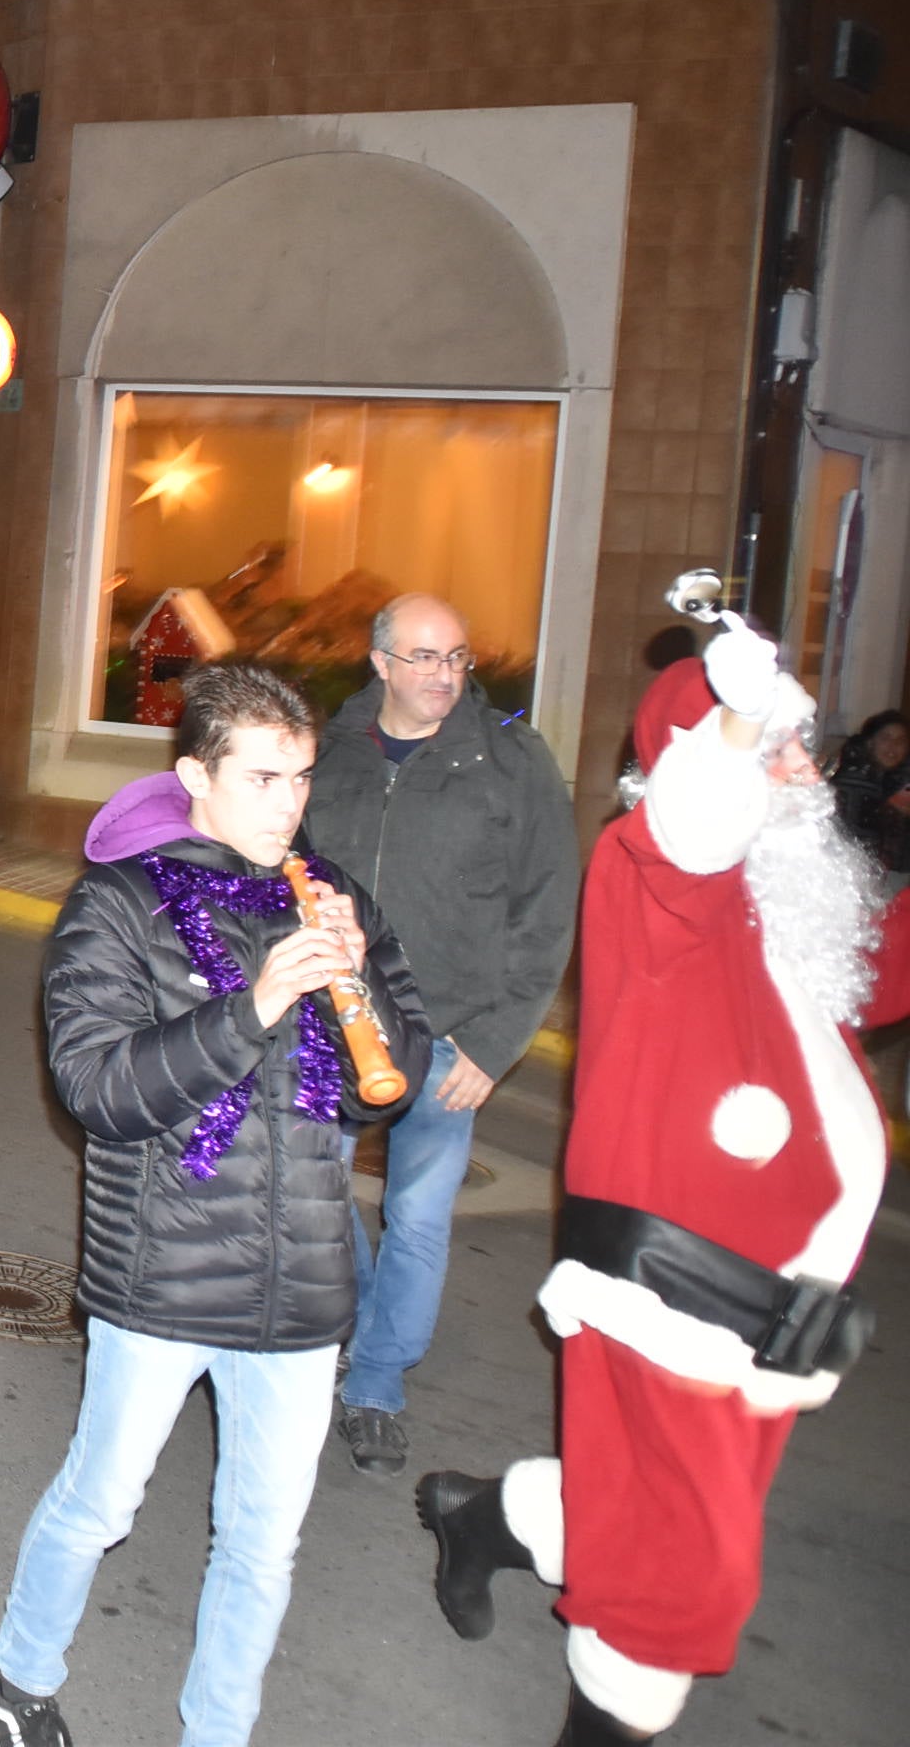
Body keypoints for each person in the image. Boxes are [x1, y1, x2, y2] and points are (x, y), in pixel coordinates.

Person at [414, 635, 910, 1745]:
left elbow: (882, 963)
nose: (804, 774)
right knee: (679, 1582)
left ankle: (481, 1513)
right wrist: (733, 725)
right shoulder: (659, 874)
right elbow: (691, 820)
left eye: (801, 751)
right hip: (674, 1299)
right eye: (773, 751)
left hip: (774, 1331)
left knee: (644, 1515)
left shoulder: (796, 908)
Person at [0, 662, 424, 1747]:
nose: (289, 803)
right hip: (165, 1276)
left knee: (261, 1543)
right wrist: (258, 1000)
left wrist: (360, 995)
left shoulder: (335, 898)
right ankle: (19, 1681)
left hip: (304, 1283)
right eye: (264, 777)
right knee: (102, 1504)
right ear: (195, 776)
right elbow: (96, 1090)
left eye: (302, 777)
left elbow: (381, 1092)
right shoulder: (119, 901)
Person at [300, 593, 581, 1476]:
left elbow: (547, 913)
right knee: (316, 1191)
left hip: (453, 1037)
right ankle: (359, 1319)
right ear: (380, 663)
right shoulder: (328, 753)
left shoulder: (510, 761)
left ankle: (376, 1385)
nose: (443, 677)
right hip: (337, 1026)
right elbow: (284, 869)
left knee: (418, 1215)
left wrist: (495, 1045)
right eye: (422, 658)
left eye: (456, 658)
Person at [829, 706, 910, 879]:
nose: (893, 746)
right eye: (886, 738)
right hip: (853, 878)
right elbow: (853, 843)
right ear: (870, 742)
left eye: (901, 741)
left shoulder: (885, 782)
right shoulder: (856, 782)